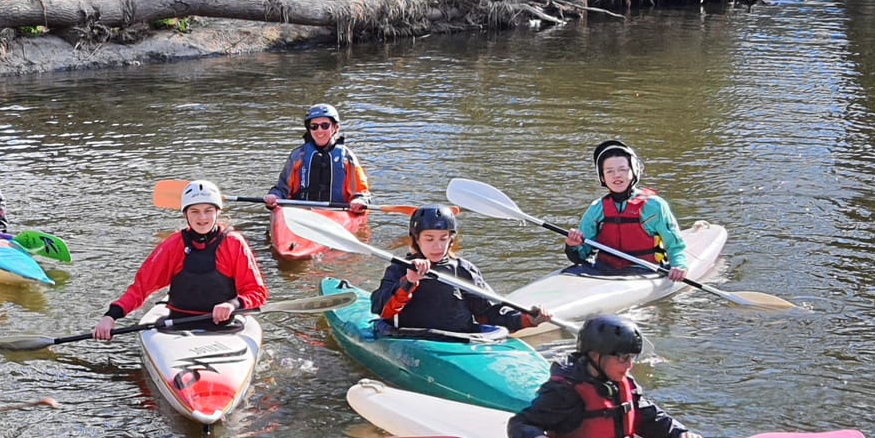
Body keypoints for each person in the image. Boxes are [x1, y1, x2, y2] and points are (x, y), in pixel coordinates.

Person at [505, 315, 736, 438]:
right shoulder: (564, 391)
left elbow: (649, 417)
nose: (630, 365)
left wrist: (680, 434)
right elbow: (520, 424)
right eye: (623, 358)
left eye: (632, 357)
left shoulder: (622, 382)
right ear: (596, 356)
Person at [92, 180, 269, 340]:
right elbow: (141, 288)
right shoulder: (172, 245)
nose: (202, 218)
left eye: (208, 211)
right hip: (177, 326)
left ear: (217, 212)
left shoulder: (233, 243)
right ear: (185, 214)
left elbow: (257, 292)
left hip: (225, 327)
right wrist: (110, 316)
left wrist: (232, 304)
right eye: (195, 211)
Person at [372, 205, 551, 335]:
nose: (437, 246)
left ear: (451, 240)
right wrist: (409, 282)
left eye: (444, 238)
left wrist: (528, 319)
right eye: (429, 239)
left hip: (460, 341)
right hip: (413, 340)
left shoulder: (464, 270)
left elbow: (489, 314)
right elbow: (382, 310)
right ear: (416, 240)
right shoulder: (401, 268)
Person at [563, 140, 691, 281]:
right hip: (603, 271)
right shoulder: (596, 209)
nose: (616, 175)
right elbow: (581, 256)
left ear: (634, 171)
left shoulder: (655, 206)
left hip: (646, 271)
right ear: (602, 177)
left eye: (623, 169)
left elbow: (675, 246)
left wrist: (679, 265)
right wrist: (572, 246)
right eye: (609, 171)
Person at [263, 103, 371, 213]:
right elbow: (282, 189)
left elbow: (360, 193)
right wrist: (274, 196)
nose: (319, 131)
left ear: (335, 127)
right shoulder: (298, 156)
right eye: (314, 126)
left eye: (325, 125)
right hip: (300, 213)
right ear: (309, 129)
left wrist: (359, 201)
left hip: (338, 214)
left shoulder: (347, 158)